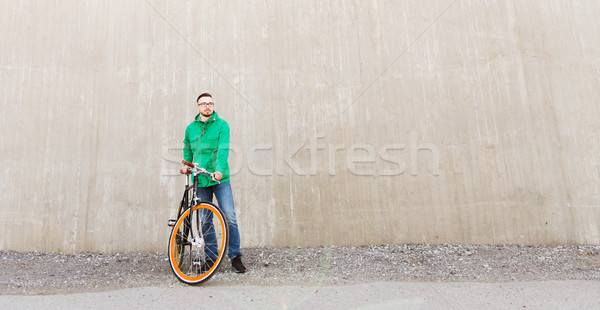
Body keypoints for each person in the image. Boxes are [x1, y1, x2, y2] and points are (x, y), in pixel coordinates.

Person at [180, 92, 246, 273]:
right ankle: (211, 257)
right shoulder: (190, 128)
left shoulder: (222, 125)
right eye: (203, 104)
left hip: (219, 179)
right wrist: (186, 164)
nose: (207, 106)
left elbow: (222, 150)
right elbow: (187, 146)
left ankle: (235, 257)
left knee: (229, 216)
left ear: (213, 106)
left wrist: (218, 170)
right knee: (204, 219)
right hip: (200, 180)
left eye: (210, 103)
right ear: (198, 107)